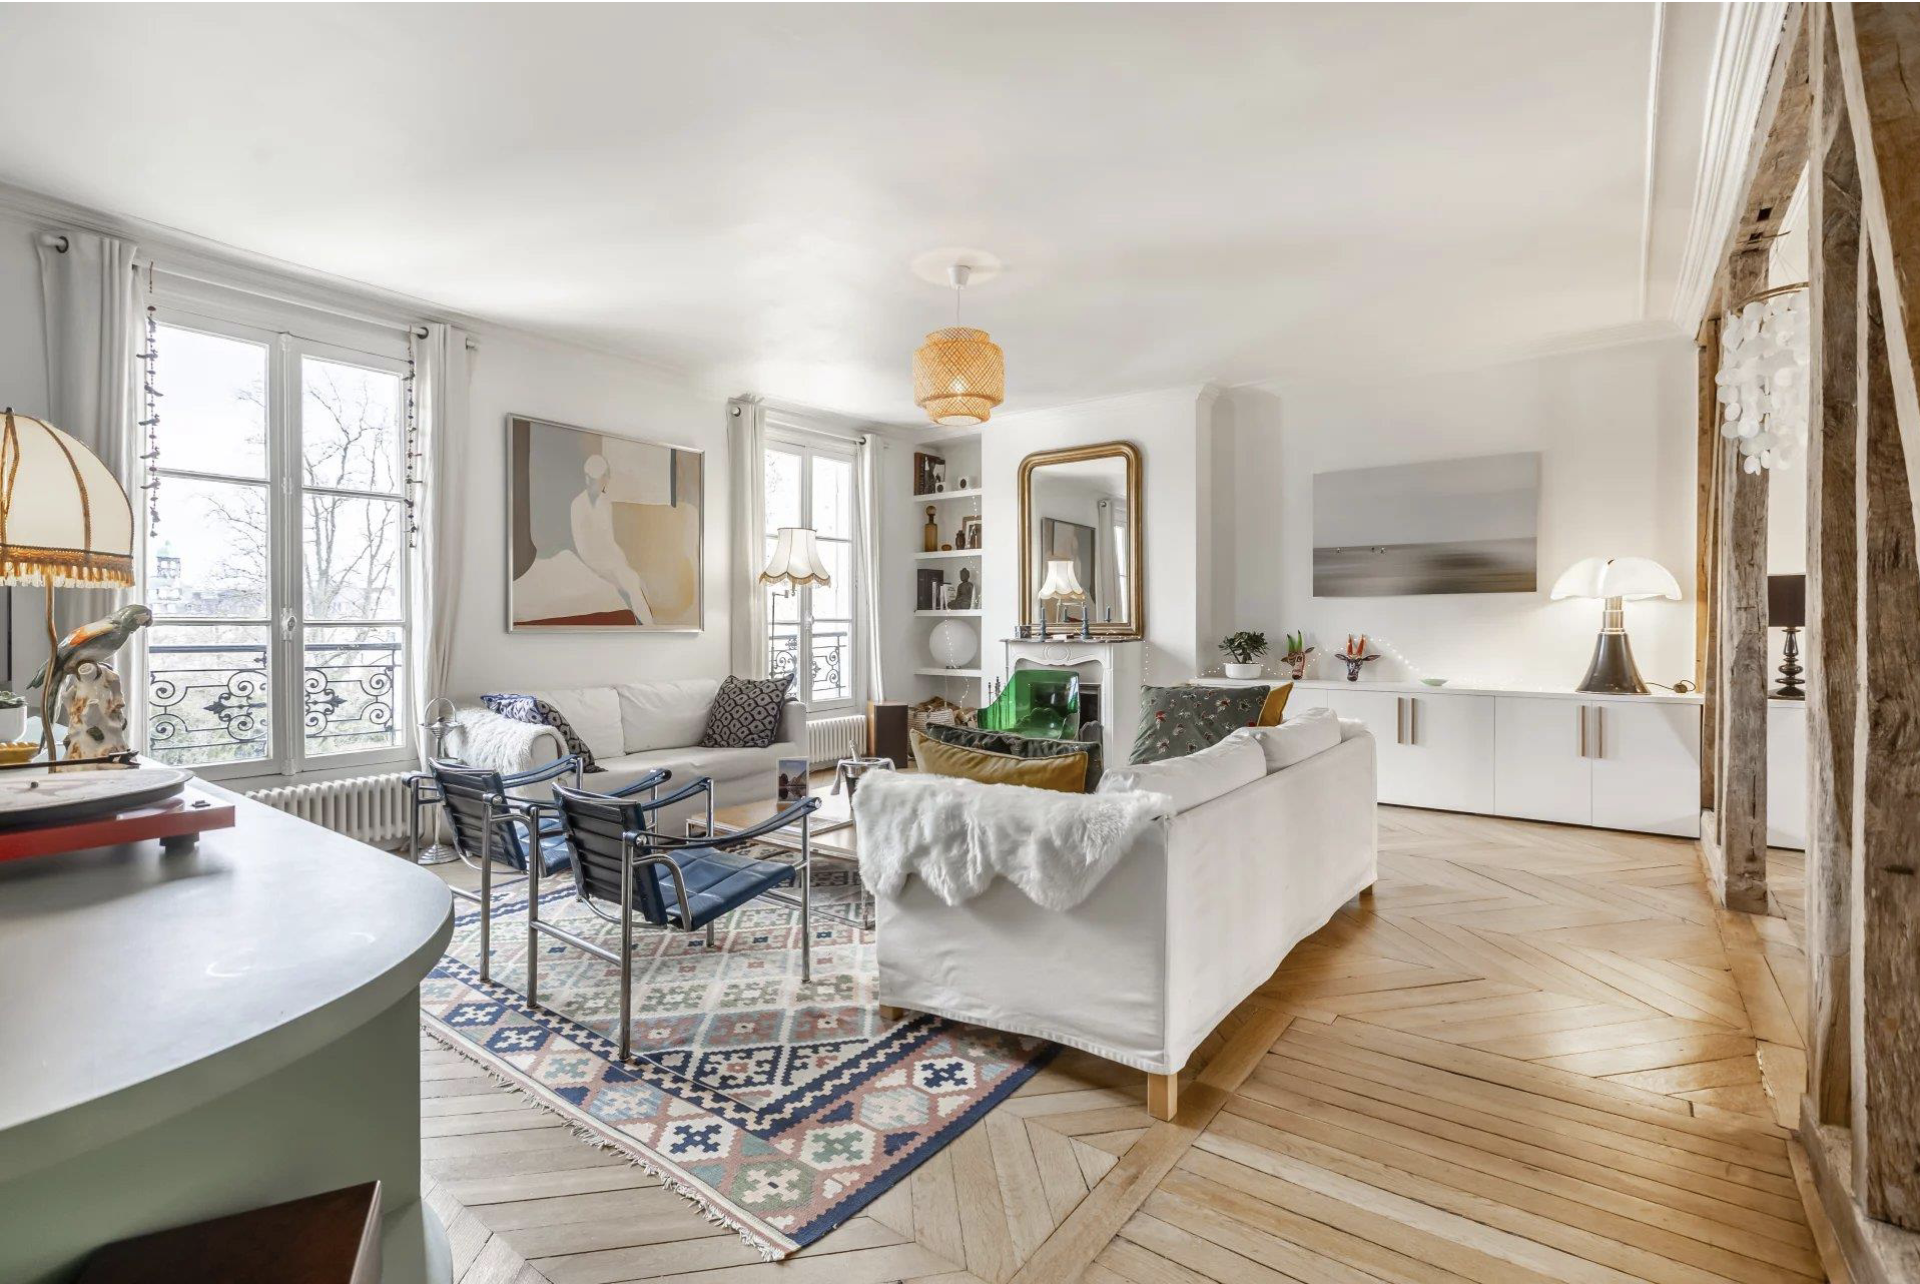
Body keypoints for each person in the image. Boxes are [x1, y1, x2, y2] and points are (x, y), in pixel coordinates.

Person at [569, 454, 654, 625]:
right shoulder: (577, 505)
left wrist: (623, 564)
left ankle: (649, 627)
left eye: (602, 480)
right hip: (590, 561)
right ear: (588, 479)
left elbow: (610, 541)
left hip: (609, 560)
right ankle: (646, 625)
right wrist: (601, 569)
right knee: (628, 584)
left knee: (633, 581)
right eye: (597, 480)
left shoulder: (605, 503)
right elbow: (582, 547)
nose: (601, 484)